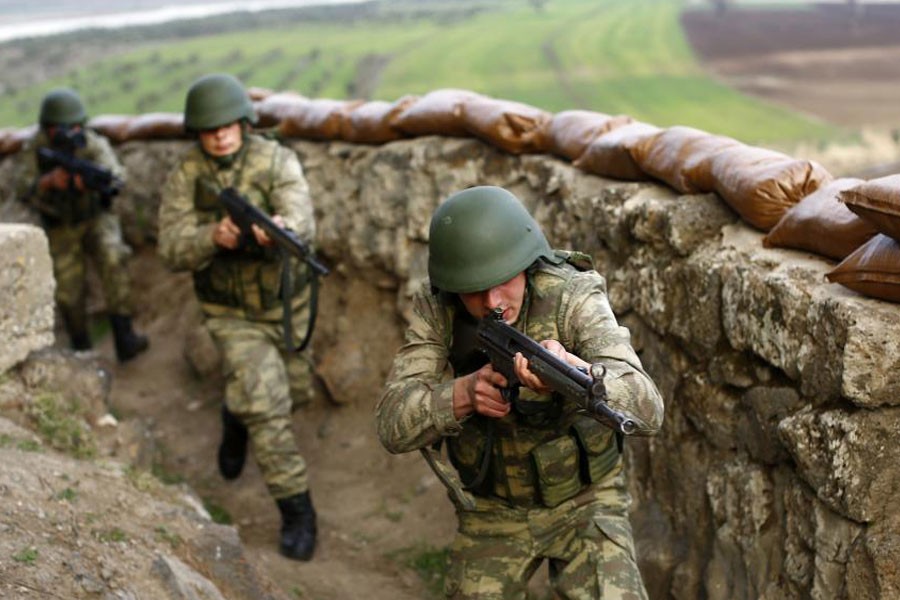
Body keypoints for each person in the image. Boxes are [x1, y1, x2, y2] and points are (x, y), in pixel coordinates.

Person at [376, 186, 665, 599]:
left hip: (586, 502)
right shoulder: (438, 307)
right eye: (474, 290)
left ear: (527, 263)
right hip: (495, 509)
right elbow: (390, 423)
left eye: (502, 281)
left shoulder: (572, 295)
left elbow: (647, 409)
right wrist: (462, 394)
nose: (493, 302)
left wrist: (579, 371)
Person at [157, 73, 319, 561]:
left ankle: (234, 412)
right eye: (209, 129)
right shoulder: (187, 174)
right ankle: (298, 511)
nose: (220, 135)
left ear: (244, 123)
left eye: (228, 125)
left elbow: (302, 218)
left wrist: (284, 228)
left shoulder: (276, 160)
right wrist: (214, 237)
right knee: (268, 410)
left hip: (285, 308)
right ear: (197, 133)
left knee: (295, 393)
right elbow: (169, 246)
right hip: (230, 315)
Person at [15, 87, 148, 362]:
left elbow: (115, 176)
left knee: (114, 257)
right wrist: (48, 183)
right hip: (60, 223)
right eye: (61, 128)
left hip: (95, 215)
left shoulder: (91, 143)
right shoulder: (36, 147)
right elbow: (21, 187)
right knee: (67, 289)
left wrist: (88, 184)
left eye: (74, 126)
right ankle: (81, 347)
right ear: (48, 129)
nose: (69, 133)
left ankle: (124, 336)